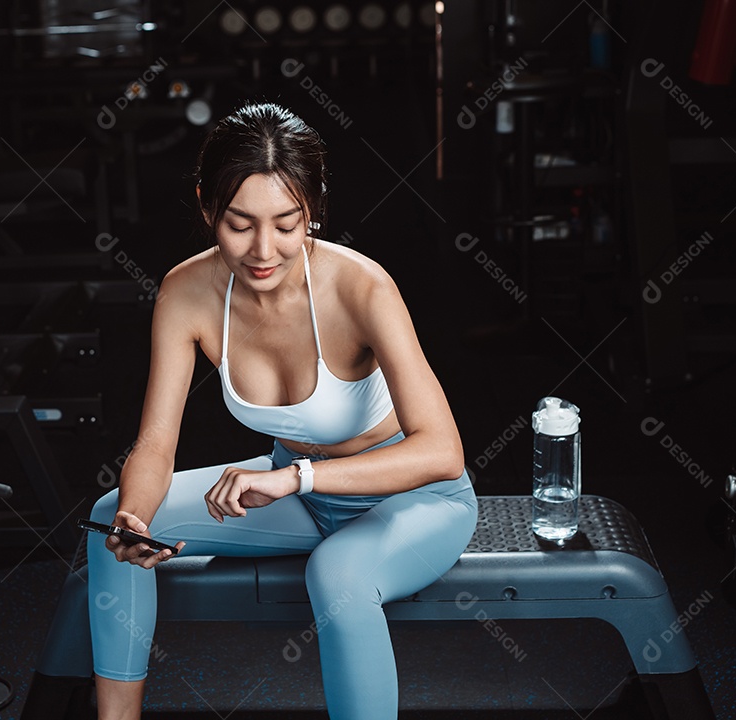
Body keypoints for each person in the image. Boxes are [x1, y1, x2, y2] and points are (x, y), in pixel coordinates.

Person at [27, 101, 478, 720]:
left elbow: (440, 451)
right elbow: (156, 445)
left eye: (287, 223)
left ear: (314, 210)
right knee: (113, 521)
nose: (264, 249)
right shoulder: (186, 292)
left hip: (415, 501)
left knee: (338, 574)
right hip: (302, 498)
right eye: (239, 224)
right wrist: (137, 514)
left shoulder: (363, 288)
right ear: (207, 208)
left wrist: (293, 477)